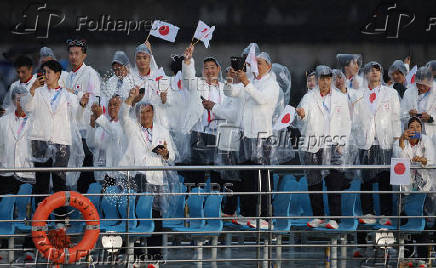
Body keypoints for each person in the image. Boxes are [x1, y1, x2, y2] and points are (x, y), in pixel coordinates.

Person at [22, 60, 88, 217]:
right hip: (39, 140)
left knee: (60, 182)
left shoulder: (67, 95)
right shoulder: (37, 92)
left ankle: (60, 220)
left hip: (61, 141)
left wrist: (83, 105)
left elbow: (78, 118)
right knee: (41, 183)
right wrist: (32, 89)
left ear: (58, 74)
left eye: (49, 72)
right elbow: (27, 108)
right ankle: (40, 221)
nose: (45, 75)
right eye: (44, 72)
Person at [118, 87, 177, 262]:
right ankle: (135, 255)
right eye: (141, 112)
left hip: (155, 178)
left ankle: (154, 255)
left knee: (156, 216)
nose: (145, 115)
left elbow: (171, 156)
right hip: (137, 176)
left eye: (148, 111)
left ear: (153, 112)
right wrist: (130, 98)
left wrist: (165, 153)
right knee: (136, 215)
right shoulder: (133, 128)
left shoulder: (162, 130)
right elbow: (122, 116)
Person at [350, 61, 401, 257]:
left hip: (385, 143)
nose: (374, 73)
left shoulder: (391, 93)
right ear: (365, 74)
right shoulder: (358, 93)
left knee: (385, 185)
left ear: (381, 74)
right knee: (366, 184)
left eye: (378, 70)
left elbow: (396, 118)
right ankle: (363, 245)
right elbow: (353, 120)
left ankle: (386, 242)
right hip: (365, 144)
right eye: (371, 70)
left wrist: (396, 143)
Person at [224, 51, 279, 229]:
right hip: (246, 136)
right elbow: (229, 92)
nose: (257, 66)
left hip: (262, 137)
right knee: (247, 176)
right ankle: (248, 214)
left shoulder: (272, 84)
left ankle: (265, 216)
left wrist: (246, 81)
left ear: (268, 66)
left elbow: (261, 99)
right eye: (256, 63)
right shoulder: (251, 82)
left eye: (261, 63)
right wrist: (230, 79)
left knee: (261, 177)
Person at [296, 65, 352, 229]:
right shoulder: (309, 97)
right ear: (317, 80)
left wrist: (342, 143)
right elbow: (303, 115)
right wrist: (302, 115)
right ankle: (318, 215)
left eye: (328, 78)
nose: (326, 82)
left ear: (332, 79)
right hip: (314, 145)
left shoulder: (341, 98)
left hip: (333, 145)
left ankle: (335, 218)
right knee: (314, 183)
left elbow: (346, 122)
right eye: (322, 78)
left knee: (334, 183)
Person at [180, 44, 227, 185]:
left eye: (212, 67)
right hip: (199, 133)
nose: (209, 71)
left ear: (218, 69)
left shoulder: (226, 89)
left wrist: (215, 107)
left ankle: (216, 201)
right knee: (196, 173)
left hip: (219, 135)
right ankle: (194, 201)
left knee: (218, 174)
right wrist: (188, 62)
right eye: (206, 68)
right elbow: (188, 79)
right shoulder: (198, 84)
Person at [394, 117, 435, 268]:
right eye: (412, 126)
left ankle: (424, 258)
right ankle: (406, 257)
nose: (415, 129)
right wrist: (401, 142)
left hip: (424, 187)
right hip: (406, 189)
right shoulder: (400, 140)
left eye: (418, 126)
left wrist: (423, 160)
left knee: (424, 223)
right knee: (405, 220)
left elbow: (431, 159)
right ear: (407, 128)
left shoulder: (426, 140)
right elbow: (398, 160)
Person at [65, 38, 101, 193]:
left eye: (77, 54)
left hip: (85, 131)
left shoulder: (90, 73)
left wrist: (76, 94)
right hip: (69, 131)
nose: (73, 56)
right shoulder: (66, 76)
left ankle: (86, 206)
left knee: (85, 172)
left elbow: (96, 100)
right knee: (72, 170)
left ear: (84, 56)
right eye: (71, 53)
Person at [0, 86, 35, 195]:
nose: (21, 103)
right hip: (7, 171)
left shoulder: (34, 122)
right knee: (6, 208)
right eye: (18, 99)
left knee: (23, 207)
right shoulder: (3, 121)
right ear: (13, 101)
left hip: (27, 171)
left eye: (24, 99)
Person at [88, 95, 126, 188]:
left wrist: (100, 117)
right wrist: (92, 125)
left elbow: (115, 133)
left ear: (122, 107)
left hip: (117, 175)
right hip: (101, 173)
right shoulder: (102, 124)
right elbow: (91, 144)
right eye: (110, 105)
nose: (112, 107)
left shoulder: (124, 125)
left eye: (115, 105)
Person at [401, 66, 436, 146]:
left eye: (425, 85)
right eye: (419, 85)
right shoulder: (408, 92)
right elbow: (401, 115)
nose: (421, 88)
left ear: (430, 82)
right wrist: (409, 114)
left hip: (432, 134)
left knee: (431, 156)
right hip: (414, 135)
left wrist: (431, 118)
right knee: (415, 156)